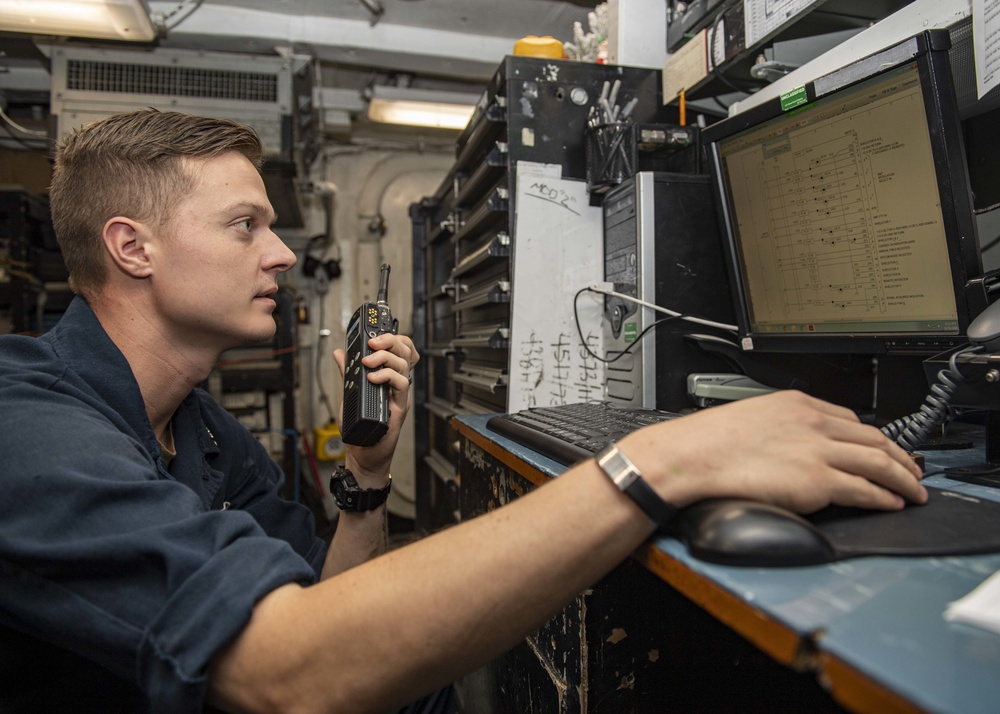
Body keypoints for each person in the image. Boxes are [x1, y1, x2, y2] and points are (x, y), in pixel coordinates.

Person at [0, 109, 927, 714]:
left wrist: (367, 479)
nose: (281, 255)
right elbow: (287, 671)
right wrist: (665, 464)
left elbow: (325, 606)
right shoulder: (27, 424)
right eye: (246, 225)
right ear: (133, 248)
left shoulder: (199, 426)